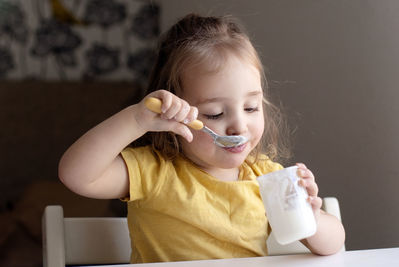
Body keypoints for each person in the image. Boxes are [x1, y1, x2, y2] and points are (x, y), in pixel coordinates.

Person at [59, 13, 345, 263]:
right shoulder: (154, 172)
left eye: (251, 107)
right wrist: (137, 119)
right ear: (173, 117)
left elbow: (334, 244)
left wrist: (312, 217)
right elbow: (76, 175)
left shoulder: (265, 177)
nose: (239, 126)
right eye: (215, 114)